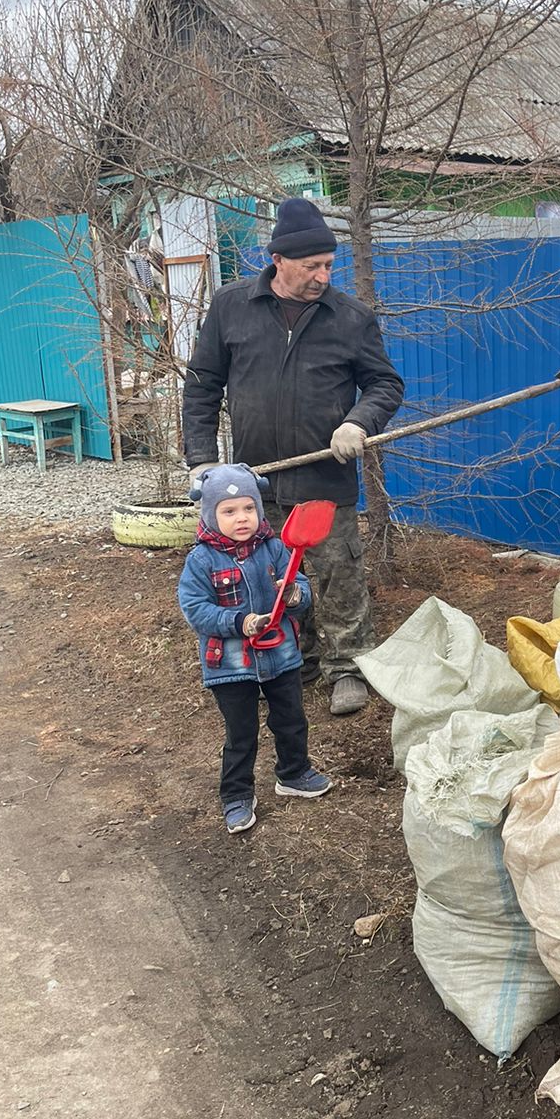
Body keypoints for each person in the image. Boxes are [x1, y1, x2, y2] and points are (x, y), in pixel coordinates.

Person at [183, 198, 404, 717]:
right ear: (278, 260)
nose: (324, 276)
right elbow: (202, 385)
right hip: (254, 482)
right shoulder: (232, 306)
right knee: (266, 574)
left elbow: (385, 384)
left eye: (329, 265)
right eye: (313, 266)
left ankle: (347, 666)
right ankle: (292, 658)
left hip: (324, 476)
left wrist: (358, 421)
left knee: (335, 572)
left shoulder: (349, 318)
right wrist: (200, 458)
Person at [178, 464, 332, 835]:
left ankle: (293, 773)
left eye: (248, 508)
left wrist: (294, 593)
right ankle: (236, 795)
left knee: (291, 719)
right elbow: (195, 609)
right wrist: (239, 623)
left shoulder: (277, 549)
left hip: (280, 655)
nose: (241, 518)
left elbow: (300, 589)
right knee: (240, 731)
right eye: (229, 512)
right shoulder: (201, 560)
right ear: (211, 514)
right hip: (230, 665)